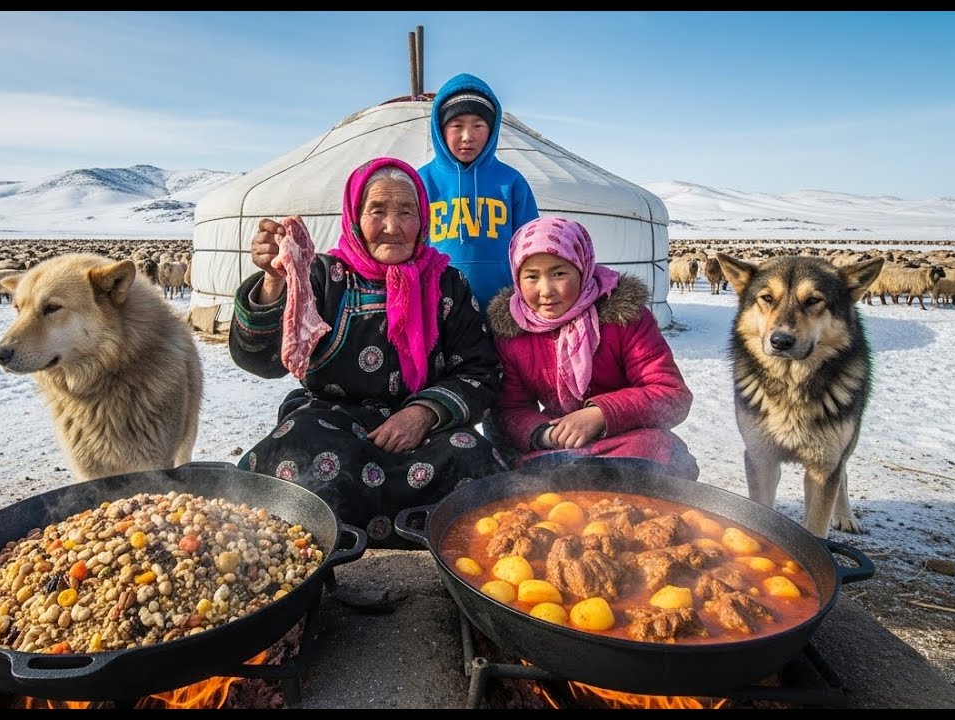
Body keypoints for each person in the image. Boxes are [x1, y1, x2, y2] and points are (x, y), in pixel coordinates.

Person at [229, 156, 509, 548]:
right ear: (355, 216)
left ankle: (452, 557)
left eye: (406, 212)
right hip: (331, 428)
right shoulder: (322, 276)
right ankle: (323, 553)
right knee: (298, 460)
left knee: (473, 459)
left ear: (423, 219)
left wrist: (423, 413)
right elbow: (260, 360)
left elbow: (481, 371)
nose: (392, 227)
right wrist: (276, 280)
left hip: (425, 437)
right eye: (377, 211)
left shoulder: (447, 283)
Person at [485, 215, 701, 480]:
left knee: (660, 452)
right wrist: (545, 434)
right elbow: (510, 408)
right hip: (559, 445)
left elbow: (672, 394)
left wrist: (600, 414)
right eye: (531, 276)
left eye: (559, 273)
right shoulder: (514, 332)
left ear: (583, 267)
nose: (546, 290)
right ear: (517, 278)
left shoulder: (625, 319)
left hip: (625, 439)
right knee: (528, 476)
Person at [419, 72, 540, 315]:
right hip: (437, 309)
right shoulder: (422, 181)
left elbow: (533, 249)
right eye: (456, 126)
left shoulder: (511, 182)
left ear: (492, 128)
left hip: (503, 308)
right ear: (440, 129)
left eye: (478, 125)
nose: (468, 136)